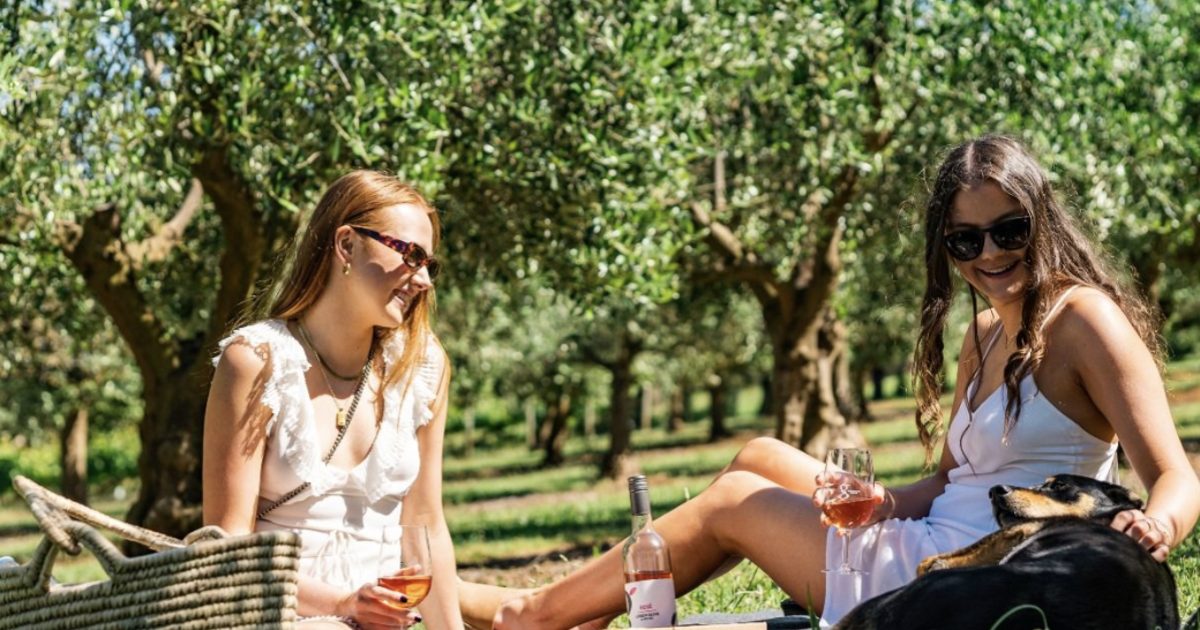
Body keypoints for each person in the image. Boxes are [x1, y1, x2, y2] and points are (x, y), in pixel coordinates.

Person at [458, 135, 1200, 629]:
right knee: (758, 453)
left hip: (975, 568)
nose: (991, 254)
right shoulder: (982, 332)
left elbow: (1175, 473)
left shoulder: (1086, 320)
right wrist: (882, 503)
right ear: (946, 247)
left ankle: (532, 613)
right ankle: (599, 603)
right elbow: (947, 481)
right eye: (965, 240)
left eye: (1009, 230)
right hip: (945, 527)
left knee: (734, 501)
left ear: (1042, 219)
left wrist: (1158, 523)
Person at [204, 171, 464, 630]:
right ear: (346, 245)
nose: (423, 279)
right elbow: (228, 549)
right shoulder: (256, 361)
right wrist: (345, 604)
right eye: (410, 255)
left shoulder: (422, 367)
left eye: (429, 264)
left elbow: (428, 526)